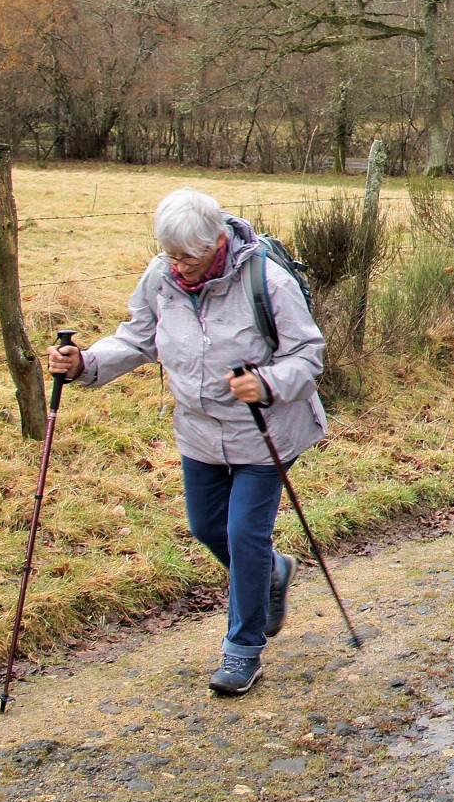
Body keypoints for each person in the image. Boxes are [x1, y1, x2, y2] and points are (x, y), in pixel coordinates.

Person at [46, 188, 325, 698]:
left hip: (264, 432)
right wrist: (85, 363)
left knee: (244, 535)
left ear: (217, 242)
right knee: (205, 527)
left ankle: (242, 651)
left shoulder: (267, 280)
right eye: (169, 255)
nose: (178, 267)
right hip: (198, 431)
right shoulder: (161, 278)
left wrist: (264, 383)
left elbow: (308, 356)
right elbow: (135, 338)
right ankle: (271, 572)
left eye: (188, 257)